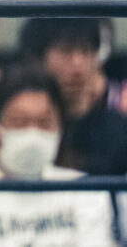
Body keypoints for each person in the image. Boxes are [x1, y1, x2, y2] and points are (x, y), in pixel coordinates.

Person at [0, 66, 117, 246]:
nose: (32, 133)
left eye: (44, 122)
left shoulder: (86, 191)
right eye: (19, 121)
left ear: (60, 128)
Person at [19, 16, 127, 175]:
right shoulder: (20, 129)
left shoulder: (116, 130)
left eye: (86, 50)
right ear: (38, 59)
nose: (78, 64)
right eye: (66, 50)